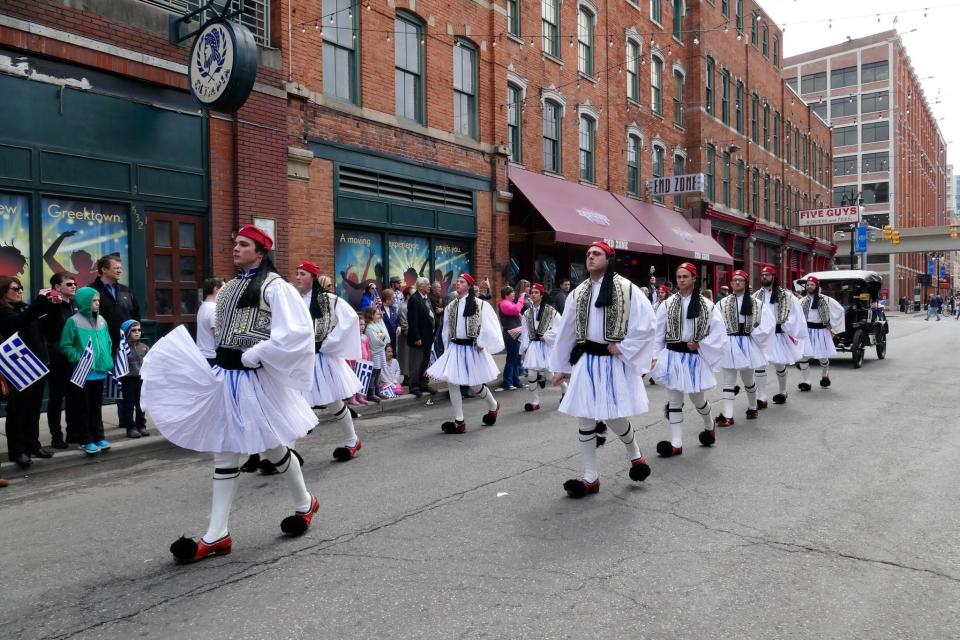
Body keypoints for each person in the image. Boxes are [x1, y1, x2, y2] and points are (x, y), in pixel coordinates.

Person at [141, 225, 320, 564]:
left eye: (243, 244)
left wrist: (259, 352)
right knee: (235, 450)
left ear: (260, 250)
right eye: (235, 243)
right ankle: (221, 531)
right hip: (226, 375)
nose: (235, 249)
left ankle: (299, 504)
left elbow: (297, 332)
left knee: (266, 447)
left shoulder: (276, 287)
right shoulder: (230, 288)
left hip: (253, 379)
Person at [549, 241, 656, 498]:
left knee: (614, 417)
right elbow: (567, 330)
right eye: (587, 254)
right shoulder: (579, 292)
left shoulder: (627, 288)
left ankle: (635, 455)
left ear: (609, 259)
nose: (590, 257)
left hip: (612, 361)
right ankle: (590, 477)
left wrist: (624, 346)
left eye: (596, 254)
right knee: (585, 416)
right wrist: (561, 366)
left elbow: (647, 323)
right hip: (587, 360)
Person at [651, 263, 727, 458]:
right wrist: (655, 357)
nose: (682, 280)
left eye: (685, 276)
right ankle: (676, 442)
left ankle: (709, 425)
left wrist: (700, 344)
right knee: (674, 399)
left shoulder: (708, 305)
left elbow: (719, 334)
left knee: (697, 399)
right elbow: (658, 333)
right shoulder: (667, 304)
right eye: (679, 276)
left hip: (693, 358)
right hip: (672, 356)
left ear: (694, 278)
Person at [295, 264, 365, 459]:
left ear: (313, 277)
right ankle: (286, 453)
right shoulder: (295, 300)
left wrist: (329, 343)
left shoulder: (328, 300)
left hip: (321, 358)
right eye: (297, 274)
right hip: (302, 359)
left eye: (302, 274)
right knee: (295, 402)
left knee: (333, 402)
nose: (298, 277)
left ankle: (352, 439)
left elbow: (350, 319)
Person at [426, 274, 504, 433]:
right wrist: (447, 349)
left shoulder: (480, 305)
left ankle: (493, 405)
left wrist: (482, 342)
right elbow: (446, 330)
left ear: (468, 286)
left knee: (474, 384)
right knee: (452, 382)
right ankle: (459, 421)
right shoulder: (451, 306)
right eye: (458, 282)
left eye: (462, 282)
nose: (458, 284)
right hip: (455, 348)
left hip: (472, 348)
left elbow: (490, 326)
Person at [0, 277, 55, 468]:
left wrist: (51, 304)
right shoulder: (3, 313)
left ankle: (33, 444)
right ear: (3, 292)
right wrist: (39, 301)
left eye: (21, 288)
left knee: (33, 409)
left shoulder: (23, 308)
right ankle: (18, 451)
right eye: (15, 288)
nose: (20, 291)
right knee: (17, 410)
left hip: (36, 364)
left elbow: (43, 326)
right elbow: (18, 322)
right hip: (17, 367)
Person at [711, 270, 774, 427]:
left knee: (748, 379)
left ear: (746, 284)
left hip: (747, 343)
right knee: (728, 381)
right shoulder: (721, 303)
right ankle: (728, 415)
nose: (737, 282)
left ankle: (753, 407)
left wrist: (754, 332)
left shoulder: (757, 304)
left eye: (740, 280)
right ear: (731, 283)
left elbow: (768, 324)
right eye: (734, 280)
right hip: (729, 343)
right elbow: (715, 324)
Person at [60, 286, 114, 455]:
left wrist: (106, 357)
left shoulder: (102, 321)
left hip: (100, 371)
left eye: (98, 300)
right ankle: (86, 439)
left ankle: (99, 436)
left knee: (96, 407)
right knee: (83, 408)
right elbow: (66, 345)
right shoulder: (73, 321)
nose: (97, 303)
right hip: (82, 373)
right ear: (84, 302)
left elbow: (108, 341)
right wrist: (78, 358)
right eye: (94, 301)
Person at [751, 266, 808, 407]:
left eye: (767, 275)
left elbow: (796, 313)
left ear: (773, 276)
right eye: (763, 275)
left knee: (779, 364)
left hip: (778, 333)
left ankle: (782, 391)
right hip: (762, 335)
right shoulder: (756, 296)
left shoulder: (786, 295)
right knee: (759, 365)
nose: (764, 277)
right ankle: (762, 397)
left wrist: (786, 326)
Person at [42, 272, 78, 449]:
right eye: (69, 284)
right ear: (57, 287)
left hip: (74, 355)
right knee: (56, 397)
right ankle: (56, 436)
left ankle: (73, 432)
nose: (74, 286)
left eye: (74, 284)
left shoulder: (75, 304)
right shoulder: (51, 305)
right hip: (57, 355)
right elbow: (51, 330)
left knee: (74, 394)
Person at [519, 283, 565, 411]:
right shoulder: (527, 313)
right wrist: (523, 349)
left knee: (550, 376)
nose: (533, 294)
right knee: (532, 373)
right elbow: (525, 332)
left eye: (536, 292)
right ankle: (535, 401)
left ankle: (565, 388)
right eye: (531, 292)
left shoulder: (551, 311)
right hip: (533, 346)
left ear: (541, 295)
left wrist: (547, 336)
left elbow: (560, 328)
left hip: (546, 346)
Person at [797, 276, 846, 391]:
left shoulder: (826, 299)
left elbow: (840, 310)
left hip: (821, 331)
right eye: (808, 285)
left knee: (823, 357)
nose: (809, 287)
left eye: (812, 285)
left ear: (817, 286)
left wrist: (832, 324)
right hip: (807, 332)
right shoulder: (802, 301)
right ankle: (807, 381)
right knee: (803, 358)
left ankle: (825, 375)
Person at [89, 254, 140, 354]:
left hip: (126, 345)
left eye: (120, 268)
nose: (120, 271)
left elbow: (136, 315)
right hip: (102, 345)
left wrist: (134, 334)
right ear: (104, 269)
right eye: (116, 268)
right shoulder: (91, 291)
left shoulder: (127, 291)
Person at [405, 277, 437, 397]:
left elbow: (430, 316)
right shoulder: (414, 299)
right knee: (416, 362)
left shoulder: (426, 298)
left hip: (428, 337)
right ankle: (414, 386)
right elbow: (413, 321)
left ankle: (423, 383)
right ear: (420, 286)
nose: (429, 286)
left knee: (425, 362)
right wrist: (417, 337)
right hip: (418, 339)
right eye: (427, 284)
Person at [118, 319, 149, 438]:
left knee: (141, 404)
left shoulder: (144, 347)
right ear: (126, 333)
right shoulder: (122, 348)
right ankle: (131, 427)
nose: (137, 332)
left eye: (139, 330)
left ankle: (141, 425)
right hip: (128, 380)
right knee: (129, 404)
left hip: (141, 379)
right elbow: (119, 364)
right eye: (133, 330)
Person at [498, 285, 526, 391]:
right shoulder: (504, 303)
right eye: (512, 292)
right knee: (511, 359)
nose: (514, 294)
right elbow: (515, 310)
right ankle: (507, 382)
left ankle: (516, 381)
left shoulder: (510, 303)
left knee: (517, 359)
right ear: (506, 295)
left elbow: (518, 314)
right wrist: (521, 299)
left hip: (517, 334)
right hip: (511, 335)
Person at [363, 306, 388, 403]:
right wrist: (382, 336)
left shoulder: (377, 324)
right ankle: (371, 393)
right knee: (373, 372)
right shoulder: (369, 327)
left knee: (379, 371)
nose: (379, 315)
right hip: (374, 352)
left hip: (380, 351)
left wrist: (382, 336)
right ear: (372, 315)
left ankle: (377, 391)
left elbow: (385, 334)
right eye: (377, 314)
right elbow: (374, 341)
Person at [196, 277, 223, 366]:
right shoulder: (214, 309)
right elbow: (217, 334)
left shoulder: (203, 306)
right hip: (211, 356)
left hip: (202, 354)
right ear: (216, 289)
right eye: (223, 288)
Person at [397, 285, 414, 378]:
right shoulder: (404, 307)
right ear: (407, 296)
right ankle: (407, 376)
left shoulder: (411, 305)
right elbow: (404, 324)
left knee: (410, 356)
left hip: (411, 335)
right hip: (406, 336)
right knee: (405, 356)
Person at [381, 288, 399, 353]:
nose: (395, 300)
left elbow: (397, 320)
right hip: (383, 340)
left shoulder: (394, 309)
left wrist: (399, 326)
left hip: (393, 340)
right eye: (393, 298)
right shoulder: (379, 309)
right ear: (387, 299)